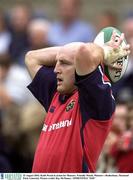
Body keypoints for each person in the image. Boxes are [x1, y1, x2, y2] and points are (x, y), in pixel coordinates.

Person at [25, 31, 130, 173]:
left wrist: (103, 53)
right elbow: (31, 58)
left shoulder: (95, 99)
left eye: (64, 63)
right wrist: (66, 53)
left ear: (82, 67)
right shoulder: (55, 93)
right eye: (56, 62)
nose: (55, 69)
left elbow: (83, 52)